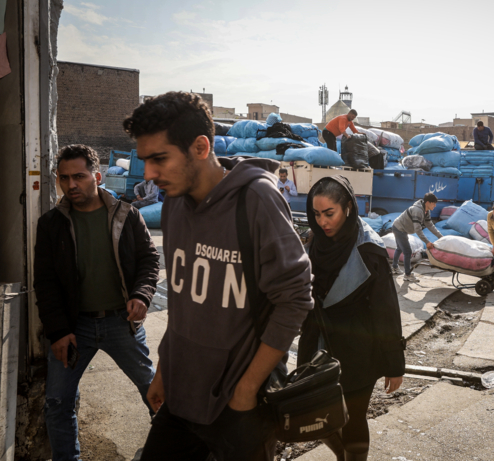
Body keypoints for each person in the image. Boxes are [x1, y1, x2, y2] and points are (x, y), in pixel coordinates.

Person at [126, 91, 314, 461]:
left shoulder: (256, 199)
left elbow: (294, 297)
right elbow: (181, 304)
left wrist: (246, 390)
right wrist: (164, 369)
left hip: (238, 406)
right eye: (145, 160)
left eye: (159, 159)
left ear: (200, 147)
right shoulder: (174, 205)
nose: (149, 174)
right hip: (180, 395)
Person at [34, 144, 160, 460]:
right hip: (75, 329)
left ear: (97, 176)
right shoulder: (51, 224)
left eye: (79, 176)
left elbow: (148, 259)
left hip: (122, 323)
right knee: (58, 403)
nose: (71, 184)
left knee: (157, 396)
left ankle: (169, 452)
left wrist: (141, 295)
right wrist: (58, 331)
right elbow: (45, 282)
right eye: (64, 178)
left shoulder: (127, 215)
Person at [297, 175, 405, 461]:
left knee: (353, 418)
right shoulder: (312, 242)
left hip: (358, 351)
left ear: (347, 207)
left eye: (329, 213)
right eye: (317, 214)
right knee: (314, 416)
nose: (322, 222)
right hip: (316, 346)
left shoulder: (369, 249)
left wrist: (395, 364)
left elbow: (386, 310)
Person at [392, 193, 442, 282]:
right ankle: (407, 274)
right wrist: (427, 242)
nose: (435, 205)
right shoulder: (417, 211)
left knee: (399, 248)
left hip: (400, 228)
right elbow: (418, 230)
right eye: (433, 203)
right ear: (427, 202)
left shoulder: (426, 211)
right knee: (407, 252)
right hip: (399, 229)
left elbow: (430, 225)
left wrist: (441, 237)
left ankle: (394, 268)